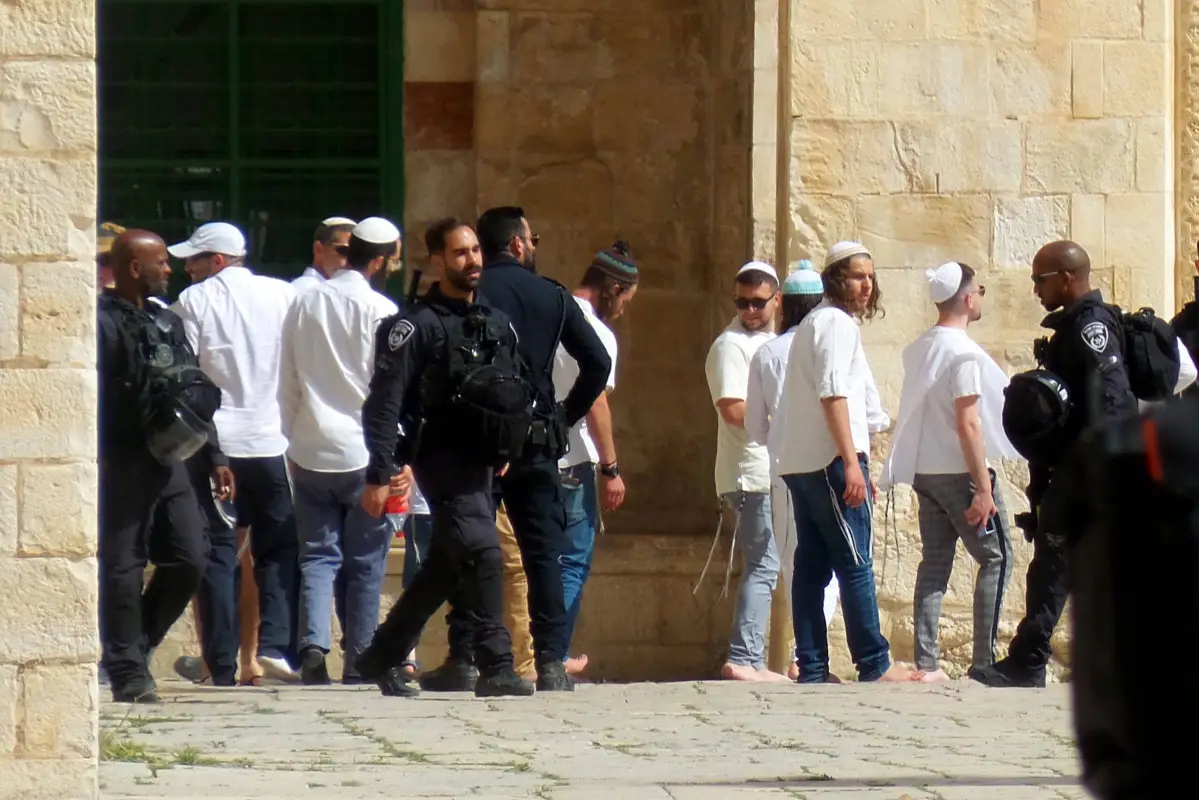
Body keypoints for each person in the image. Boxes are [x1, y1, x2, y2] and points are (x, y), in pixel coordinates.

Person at [356, 217, 536, 699]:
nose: (472, 260)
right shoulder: (414, 326)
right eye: (460, 253)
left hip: (482, 460)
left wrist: (510, 446)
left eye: (476, 251)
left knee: (446, 564)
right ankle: (497, 663)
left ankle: (381, 655)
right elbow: (385, 403)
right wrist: (381, 471)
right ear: (437, 261)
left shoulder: (495, 322)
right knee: (482, 552)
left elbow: (515, 390)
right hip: (438, 457)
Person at [972, 240, 1139, 688]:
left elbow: (1112, 397)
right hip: (1075, 466)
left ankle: (1031, 660)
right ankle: (1035, 658)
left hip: (1089, 468)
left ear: (1066, 278)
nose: (1034, 289)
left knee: (1058, 561)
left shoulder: (1091, 328)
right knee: (1064, 563)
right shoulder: (1074, 325)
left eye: (1039, 279)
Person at [464, 206, 611, 692]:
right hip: (536, 437)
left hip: (478, 439)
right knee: (543, 553)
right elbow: (597, 360)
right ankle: (550, 661)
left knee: (473, 547)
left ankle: (475, 655)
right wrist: (565, 415)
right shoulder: (551, 295)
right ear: (520, 245)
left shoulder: (471, 295)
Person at [776, 241, 919, 684]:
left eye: (871, 277)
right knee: (855, 559)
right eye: (859, 275)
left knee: (813, 566)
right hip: (830, 459)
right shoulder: (835, 324)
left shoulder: (815, 324)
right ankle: (874, 663)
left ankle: (814, 667)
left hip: (803, 461)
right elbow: (833, 393)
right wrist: (851, 461)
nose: (866, 284)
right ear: (837, 279)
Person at [169, 221, 301, 684]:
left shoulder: (193, 302)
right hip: (271, 440)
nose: (187, 268)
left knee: (219, 554)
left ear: (218, 261)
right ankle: (274, 646)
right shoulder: (282, 295)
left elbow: (186, 377)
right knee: (278, 547)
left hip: (217, 445)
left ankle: (221, 664)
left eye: (195, 260)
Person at [97, 229, 225, 702]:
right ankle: (128, 671)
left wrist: (216, 455)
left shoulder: (166, 321)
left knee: (191, 556)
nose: (168, 269)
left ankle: (134, 648)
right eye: (161, 263)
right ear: (135, 268)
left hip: (171, 458)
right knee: (123, 564)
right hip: (124, 458)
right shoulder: (101, 322)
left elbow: (190, 389)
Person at [879, 262, 1020, 683]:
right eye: (979, 289)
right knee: (998, 559)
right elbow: (969, 423)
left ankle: (927, 663)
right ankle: (984, 662)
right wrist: (982, 487)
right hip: (960, 472)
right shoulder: (961, 354)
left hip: (927, 470)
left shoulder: (923, 347)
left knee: (935, 563)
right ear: (968, 297)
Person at [279, 217, 402, 684]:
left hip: (311, 445)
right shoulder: (383, 310)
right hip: (365, 452)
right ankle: (361, 658)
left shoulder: (304, 304)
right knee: (366, 560)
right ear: (379, 259)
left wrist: (292, 435)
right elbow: (390, 394)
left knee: (317, 555)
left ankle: (313, 644)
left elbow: (287, 378)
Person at [744, 259, 839, 682]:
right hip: (829, 463)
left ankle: (806, 653)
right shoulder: (827, 343)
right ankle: (813, 653)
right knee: (837, 560)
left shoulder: (767, 352)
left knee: (794, 561)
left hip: (785, 471)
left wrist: (778, 443)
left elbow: (752, 422)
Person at [549, 240, 639, 675]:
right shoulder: (598, 333)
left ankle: (530, 649)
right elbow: (596, 402)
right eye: (624, 299)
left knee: (534, 557)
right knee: (572, 558)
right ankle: (553, 652)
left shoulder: (548, 313)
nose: (622, 309)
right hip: (574, 457)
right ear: (614, 288)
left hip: (534, 454)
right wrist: (611, 467)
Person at [703, 261, 788, 683]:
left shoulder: (771, 343)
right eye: (742, 302)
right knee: (763, 563)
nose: (750, 311)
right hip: (749, 472)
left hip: (772, 470)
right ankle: (745, 657)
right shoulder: (730, 346)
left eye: (758, 302)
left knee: (772, 563)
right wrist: (787, 432)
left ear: (777, 300)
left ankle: (761, 657)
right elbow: (733, 409)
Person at [293, 216, 356, 293]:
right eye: (344, 251)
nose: (351, 261)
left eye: (356, 254)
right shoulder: (305, 290)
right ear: (318, 249)